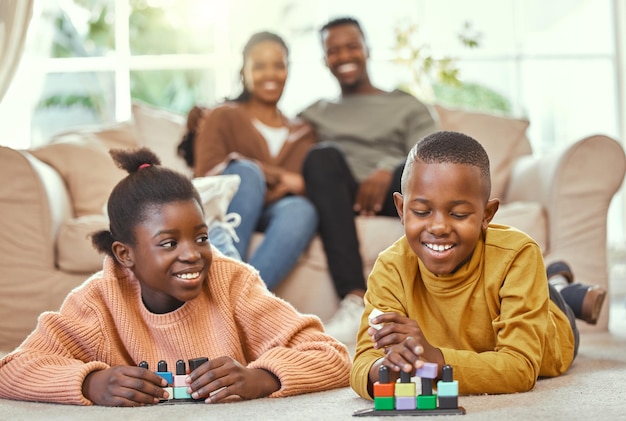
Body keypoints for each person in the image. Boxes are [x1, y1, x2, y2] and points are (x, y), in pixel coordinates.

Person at [0, 147, 350, 406]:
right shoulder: (98, 300)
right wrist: (90, 382)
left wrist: (262, 378)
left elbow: (331, 355)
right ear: (126, 255)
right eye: (168, 242)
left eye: (201, 237)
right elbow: (12, 369)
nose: (191, 253)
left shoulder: (232, 282)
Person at [350, 131, 606, 399]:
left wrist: (436, 359)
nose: (438, 227)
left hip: (553, 328)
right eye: (422, 211)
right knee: (532, 285)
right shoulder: (391, 268)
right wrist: (385, 368)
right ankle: (557, 280)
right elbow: (363, 361)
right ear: (402, 210)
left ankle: (561, 290)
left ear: (487, 215)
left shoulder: (517, 255)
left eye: (458, 214)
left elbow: (521, 368)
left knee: (551, 299)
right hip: (513, 290)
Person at [298, 16, 438, 343]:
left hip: (396, 190)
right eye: (333, 50)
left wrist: (388, 169)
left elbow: (434, 153)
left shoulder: (404, 105)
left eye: (351, 46)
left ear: (366, 50)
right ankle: (354, 300)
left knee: (424, 169)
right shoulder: (314, 112)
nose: (344, 56)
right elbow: (272, 136)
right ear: (325, 59)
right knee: (321, 157)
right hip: (340, 197)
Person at [179, 31, 318, 291]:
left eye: (279, 65)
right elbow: (206, 178)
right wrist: (275, 177)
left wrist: (279, 183)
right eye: (260, 66)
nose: (270, 74)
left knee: (302, 210)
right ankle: (228, 290)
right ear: (243, 71)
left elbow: (306, 186)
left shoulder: (304, 131)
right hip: (231, 206)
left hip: (274, 211)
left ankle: (242, 300)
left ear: (288, 70)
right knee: (245, 173)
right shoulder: (222, 116)